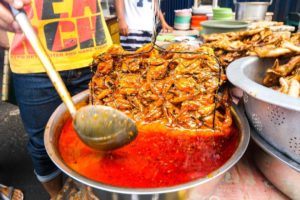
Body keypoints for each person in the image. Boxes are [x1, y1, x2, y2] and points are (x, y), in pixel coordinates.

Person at [0, 0, 112, 199]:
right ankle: (57, 195)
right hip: (31, 59)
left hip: (96, 54)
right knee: (42, 145)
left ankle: (95, 193)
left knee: (105, 139)